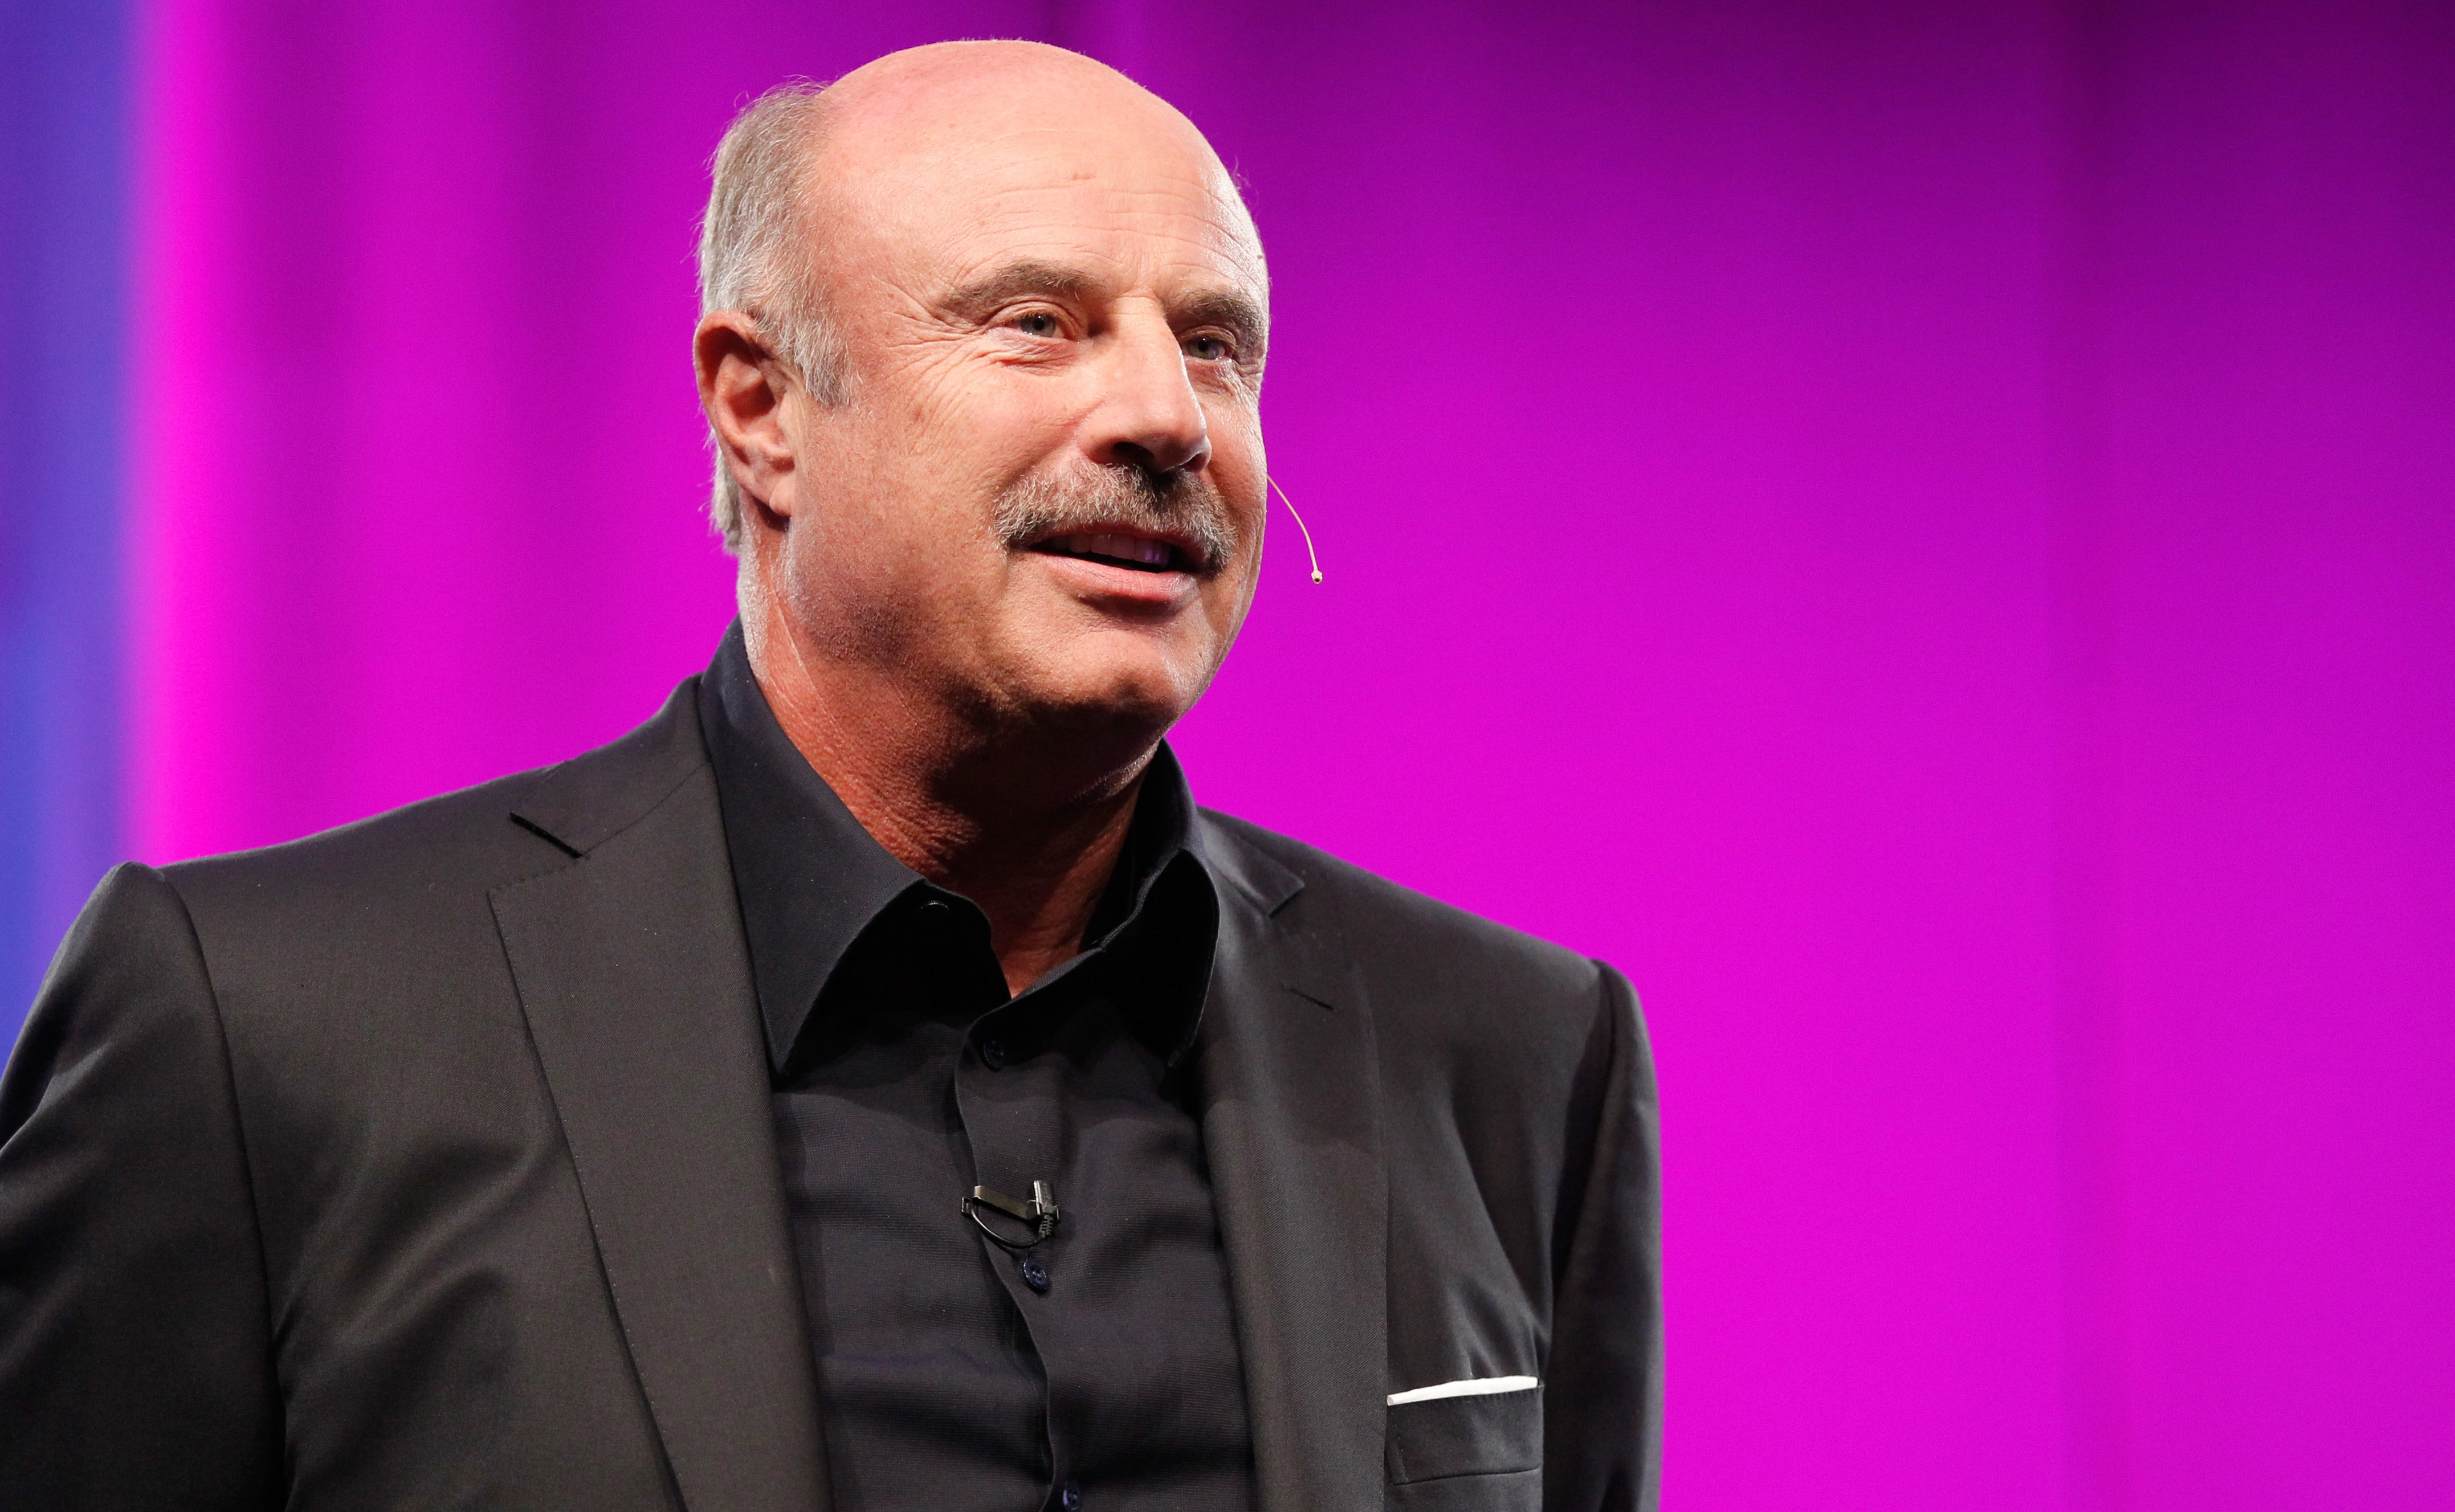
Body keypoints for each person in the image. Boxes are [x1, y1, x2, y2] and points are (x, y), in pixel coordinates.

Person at [0, 40, 1659, 1512]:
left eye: (1217, 345)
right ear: (761, 410)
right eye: (1036, 324)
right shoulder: (261, 1025)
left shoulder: (1511, 1051)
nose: (1169, 415)